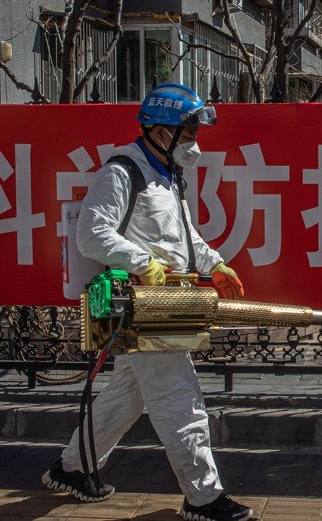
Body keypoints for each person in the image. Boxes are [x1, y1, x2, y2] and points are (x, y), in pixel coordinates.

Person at [41, 83, 250, 521]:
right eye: (188, 133)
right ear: (159, 130)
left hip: (169, 301)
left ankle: (71, 468)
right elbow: (92, 233)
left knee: (126, 396)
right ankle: (203, 498)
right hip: (146, 307)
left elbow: (182, 238)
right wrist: (140, 261)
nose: (195, 143)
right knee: (181, 399)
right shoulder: (122, 172)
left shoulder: (167, 176)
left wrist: (215, 263)